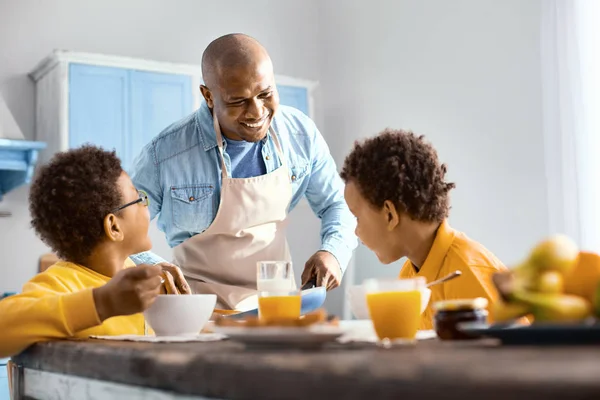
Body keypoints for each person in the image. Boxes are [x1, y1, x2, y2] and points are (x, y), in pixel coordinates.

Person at [130, 33, 357, 310]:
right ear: (208, 96)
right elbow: (118, 237)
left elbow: (336, 203)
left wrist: (332, 252)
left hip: (278, 307)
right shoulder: (164, 154)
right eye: (238, 101)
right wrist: (154, 268)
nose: (256, 112)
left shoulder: (300, 134)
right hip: (198, 312)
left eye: (265, 94)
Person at [0, 145, 190, 358]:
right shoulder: (62, 283)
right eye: (139, 199)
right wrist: (103, 302)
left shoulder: (133, 272)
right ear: (114, 227)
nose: (146, 207)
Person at [340, 129, 507, 329]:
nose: (355, 231)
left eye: (356, 217)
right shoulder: (410, 275)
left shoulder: (469, 273)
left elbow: (512, 356)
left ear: (390, 214)